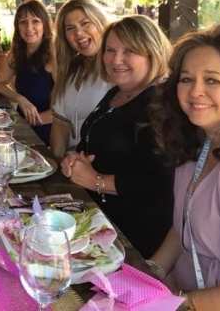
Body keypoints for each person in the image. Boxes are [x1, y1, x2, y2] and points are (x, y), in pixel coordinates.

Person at [149, 25, 220, 309]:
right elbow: (183, 228)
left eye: (212, 80)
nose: (195, 91)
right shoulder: (199, 144)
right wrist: (148, 274)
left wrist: (172, 306)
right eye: (186, 79)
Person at [60, 15, 173, 258]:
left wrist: (95, 180)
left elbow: (159, 182)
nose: (116, 59)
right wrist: (74, 159)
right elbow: (93, 141)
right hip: (95, 219)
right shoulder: (118, 92)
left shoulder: (162, 105)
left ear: (152, 53)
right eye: (110, 50)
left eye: (129, 51)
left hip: (130, 237)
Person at [50, 0, 111, 159]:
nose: (78, 33)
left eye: (85, 23)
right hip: (71, 169)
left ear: (101, 24)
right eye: (70, 28)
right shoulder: (71, 71)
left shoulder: (117, 70)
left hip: (100, 172)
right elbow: (60, 124)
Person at [0, 0, 54, 144]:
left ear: (45, 25)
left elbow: (60, 112)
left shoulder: (53, 55)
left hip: (45, 132)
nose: (29, 28)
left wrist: (27, 124)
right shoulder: (18, 52)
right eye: (23, 22)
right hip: (21, 127)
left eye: (35, 21)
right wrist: (20, 99)